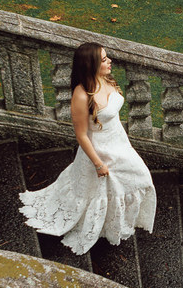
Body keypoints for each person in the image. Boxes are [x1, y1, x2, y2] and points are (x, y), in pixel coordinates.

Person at [19, 42, 156, 255]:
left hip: (119, 142)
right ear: (90, 64)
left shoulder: (106, 79)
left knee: (141, 178)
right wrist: (98, 164)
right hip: (100, 150)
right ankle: (100, 224)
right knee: (103, 189)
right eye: (103, 59)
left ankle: (115, 222)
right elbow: (81, 135)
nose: (109, 61)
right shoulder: (81, 95)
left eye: (106, 57)